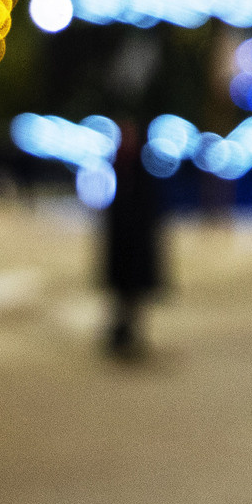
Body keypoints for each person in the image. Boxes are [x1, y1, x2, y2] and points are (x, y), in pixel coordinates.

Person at [99, 115, 166, 360]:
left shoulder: (141, 172)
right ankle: (121, 336)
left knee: (134, 299)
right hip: (121, 251)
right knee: (121, 298)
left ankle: (129, 336)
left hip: (136, 251)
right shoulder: (117, 168)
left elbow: (149, 214)